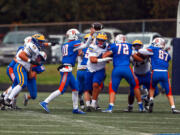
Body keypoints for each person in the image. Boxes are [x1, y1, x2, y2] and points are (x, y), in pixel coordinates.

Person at [39, 28, 95, 114]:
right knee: (61, 89)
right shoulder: (74, 43)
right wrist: (91, 35)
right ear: (73, 35)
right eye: (77, 35)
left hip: (67, 68)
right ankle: (45, 102)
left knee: (75, 88)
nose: (78, 37)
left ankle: (75, 108)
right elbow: (86, 45)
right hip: (66, 69)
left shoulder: (65, 44)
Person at [102, 34, 144, 113]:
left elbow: (105, 56)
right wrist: (142, 60)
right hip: (127, 68)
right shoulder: (128, 46)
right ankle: (141, 107)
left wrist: (110, 57)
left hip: (117, 69)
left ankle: (110, 107)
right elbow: (135, 57)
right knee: (135, 86)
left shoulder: (114, 46)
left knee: (112, 89)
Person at [138, 37, 180, 114]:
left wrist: (151, 47)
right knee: (169, 92)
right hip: (164, 73)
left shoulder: (154, 50)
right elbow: (167, 59)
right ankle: (173, 108)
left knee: (152, 88)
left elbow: (141, 51)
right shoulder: (167, 54)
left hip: (155, 72)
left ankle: (150, 99)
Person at [3, 34, 46, 106]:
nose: (42, 44)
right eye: (40, 42)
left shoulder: (35, 47)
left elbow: (43, 44)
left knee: (20, 84)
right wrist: (31, 61)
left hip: (23, 67)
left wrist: (51, 43)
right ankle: (8, 99)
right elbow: (20, 55)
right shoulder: (32, 47)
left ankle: (5, 99)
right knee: (21, 83)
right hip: (20, 66)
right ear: (36, 41)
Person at [124, 40, 159, 112]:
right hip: (136, 75)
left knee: (155, 91)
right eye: (135, 45)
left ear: (142, 46)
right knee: (132, 92)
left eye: (138, 45)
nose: (137, 47)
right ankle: (130, 106)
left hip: (147, 75)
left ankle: (146, 98)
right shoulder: (131, 55)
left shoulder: (146, 53)